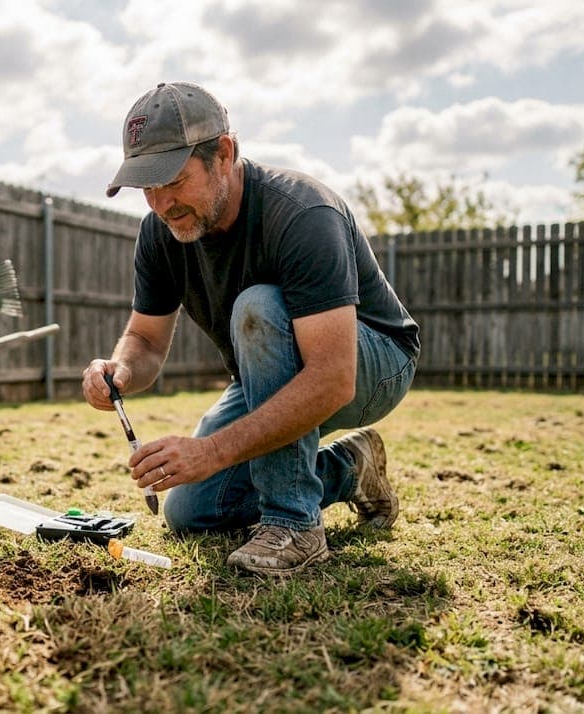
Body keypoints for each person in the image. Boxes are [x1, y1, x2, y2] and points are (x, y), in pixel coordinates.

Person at [82, 82, 420, 576]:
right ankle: (348, 469)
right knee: (191, 511)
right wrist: (121, 370)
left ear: (224, 153)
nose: (160, 203)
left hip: (373, 362)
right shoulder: (160, 233)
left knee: (257, 304)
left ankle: (295, 523)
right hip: (270, 373)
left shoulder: (304, 213)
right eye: (146, 187)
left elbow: (332, 377)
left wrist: (213, 450)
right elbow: (146, 340)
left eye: (172, 180)